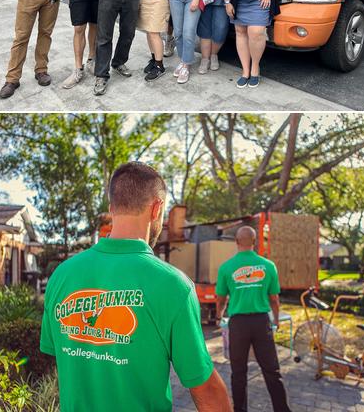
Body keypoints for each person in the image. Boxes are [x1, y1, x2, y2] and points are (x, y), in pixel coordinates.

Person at [39, 162, 232, 412]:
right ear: (156, 208)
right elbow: (205, 388)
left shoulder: (61, 276)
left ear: (112, 208)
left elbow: (62, 355)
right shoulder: (173, 285)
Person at [216, 226, 292, 412]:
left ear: (236, 242)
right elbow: (274, 299)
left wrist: (219, 315)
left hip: (238, 324)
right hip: (261, 322)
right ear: (255, 242)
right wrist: (276, 320)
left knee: (238, 372)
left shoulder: (226, 267)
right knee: (271, 370)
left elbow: (221, 299)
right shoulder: (268, 266)